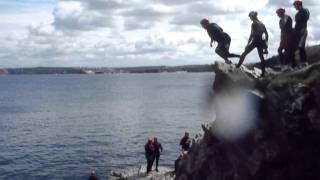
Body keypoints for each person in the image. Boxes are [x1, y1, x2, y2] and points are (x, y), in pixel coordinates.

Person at [236, 11, 269, 77]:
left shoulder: (254, 24)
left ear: (253, 16)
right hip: (261, 41)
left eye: (250, 17)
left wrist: (248, 44)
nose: (250, 18)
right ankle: (263, 73)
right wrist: (266, 44)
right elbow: (266, 34)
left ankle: (237, 67)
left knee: (244, 54)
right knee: (261, 57)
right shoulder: (262, 24)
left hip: (255, 40)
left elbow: (252, 35)